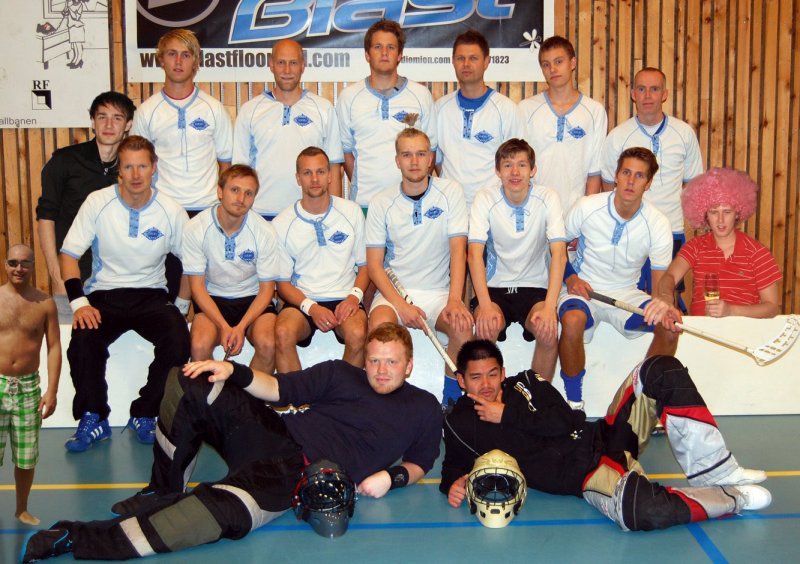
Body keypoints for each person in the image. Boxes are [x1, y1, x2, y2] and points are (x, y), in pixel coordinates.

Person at [22, 323, 441, 562]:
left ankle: (74, 537)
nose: (381, 369)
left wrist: (391, 477)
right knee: (188, 379)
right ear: (365, 358)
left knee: (205, 520)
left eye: (391, 361)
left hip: (293, 478)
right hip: (269, 436)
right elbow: (278, 389)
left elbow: (422, 460)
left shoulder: (423, 407)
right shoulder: (339, 373)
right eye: (374, 359)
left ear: (408, 365)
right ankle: (162, 489)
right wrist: (232, 371)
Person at [441, 340, 772, 532]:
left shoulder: (526, 382)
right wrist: (452, 485)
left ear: (502, 371)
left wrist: (508, 414)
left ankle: (715, 472)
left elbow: (568, 420)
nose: (486, 384)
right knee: (638, 512)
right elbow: (452, 468)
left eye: (492, 374)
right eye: (476, 377)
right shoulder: (459, 423)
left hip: (609, 436)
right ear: (461, 380)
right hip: (589, 476)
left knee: (659, 368)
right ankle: (733, 498)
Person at [59, 136, 190, 451]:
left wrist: (182, 305)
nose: (135, 175)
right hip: (105, 293)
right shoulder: (97, 202)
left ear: (154, 168)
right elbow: (69, 255)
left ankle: (146, 413)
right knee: (84, 339)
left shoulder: (171, 210)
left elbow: (192, 263)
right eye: (128, 167)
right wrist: (79, 304)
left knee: (178, 339)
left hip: (152, 295)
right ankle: (94, 416)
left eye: (142, 166)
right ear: (119, 170)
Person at [557, 147, 681, 410]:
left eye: (639, 175)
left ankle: (643, 400)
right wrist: (571, 278)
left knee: (670, 327)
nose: (630, 181)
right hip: (583, 288)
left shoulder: (658, 223)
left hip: (625, 293)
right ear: (616, 175)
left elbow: (661, 280)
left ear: (648, 183)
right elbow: (554, 248)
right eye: (626, 172)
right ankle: (574, 404)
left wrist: (663, 302)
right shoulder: (587, 206)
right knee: (572, 320)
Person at [366, 128, 473, 408]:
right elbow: (375, 266)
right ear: (397, 161)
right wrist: (401, 306)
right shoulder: (381, 202)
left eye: (421, 154)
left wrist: (455, 300)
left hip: (438, 292)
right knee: (379, 330)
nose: (414, 161)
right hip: (393, 294)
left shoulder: (451, 192)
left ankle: (451, 403)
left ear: (430, 159)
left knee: (462, 326)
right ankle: (383, 407)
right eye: (406, 154)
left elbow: (458, 251)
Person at [132, 28, 233, 305]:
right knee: (166, 293)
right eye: (172, 54)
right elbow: (137, 166)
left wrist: (223, 209)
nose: (178, 61)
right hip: (163, 210)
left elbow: (226, 164)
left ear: (196, 62)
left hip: (206, 209)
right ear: (160, 60)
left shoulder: (213, 109)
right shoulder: (147, 112)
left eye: (186, 55)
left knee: (206, 298)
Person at [468, 139, 567, 381]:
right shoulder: (485, 198)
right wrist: (485, 304)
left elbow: (559, 254)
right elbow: (473, 254)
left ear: (533, 170)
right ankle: (483, 398)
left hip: (534, 287)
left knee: (548, 331)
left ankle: (536, 398)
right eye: (507, 165)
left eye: (522, 165)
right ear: (497, 171)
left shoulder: (548, 197)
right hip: (495, 288)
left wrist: (549, 307)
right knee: (486, 328)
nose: (515, 172)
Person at [600, 67, 704, 298]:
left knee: (667, 299)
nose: (647, 96)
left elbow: (693, 184)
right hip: (630, 231)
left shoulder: (684, 133)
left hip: (670, 229)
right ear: (633, 94)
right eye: (641, 89)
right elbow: (608, 185)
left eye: (654, 89)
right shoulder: (618, 136)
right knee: (630, 299)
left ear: (664, 94)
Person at [36, 91, 136, 319]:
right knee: (69, 339)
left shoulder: (133, 169)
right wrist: (57, 276)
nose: (109, 125)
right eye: (102, 117)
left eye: (117, 118)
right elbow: (46, 218)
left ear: (128, 124)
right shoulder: (64, 161)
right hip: (72, 278)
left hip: (116, 282)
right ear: (92, 121)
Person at [272, 147, 369, 372]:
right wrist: (311, 307)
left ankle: (343, 393)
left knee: (357, 333)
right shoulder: (281, 223)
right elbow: (283, 284)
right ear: (298, 178)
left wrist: (353, 298)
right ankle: (297, 395)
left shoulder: (352, 212)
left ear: (330, 175)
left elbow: (365, 267)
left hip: (345, 297)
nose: (315, 179)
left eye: (320, 172)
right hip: (303, 299)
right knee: (283, 332)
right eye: (307, 173)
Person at [182, 165, 280, 374]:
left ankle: (249, 395)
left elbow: (266, 291)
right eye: (235, 190)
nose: (241, 198)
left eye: (248, 193)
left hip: (252, 299)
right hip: (213, 299)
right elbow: (197, 288)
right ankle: (210, 395)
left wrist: (241, 327)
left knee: (268, 344)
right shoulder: (195, 228)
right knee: (199, 345)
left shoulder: (265, 231)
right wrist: (224, 326)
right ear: (220, 192)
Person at [232, 39, 344, 219]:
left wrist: (334, 217)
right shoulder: (250, 111)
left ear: (302, 66)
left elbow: (334, 169)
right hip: (261, 214)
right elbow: (239, 172)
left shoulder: (323, 109)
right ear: (271, 65)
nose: (287, 70)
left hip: (310, 215)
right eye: (281, 63)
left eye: (293, 63)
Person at [336, 19, 437, 210]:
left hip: (409, 203)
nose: (384, 52)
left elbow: (431, 150)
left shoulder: (421, 95)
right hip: (365, 203)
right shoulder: (349, 97)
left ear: (399, 55)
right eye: (378, 47)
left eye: (391, 47)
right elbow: (346, 152)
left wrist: (414, 189)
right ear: (367, 54)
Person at [657, 168, 781, 318]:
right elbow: (669, 277)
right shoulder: (695, 247)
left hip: (742, 331)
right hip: (700, 329)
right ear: (705, 215)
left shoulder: (757, 253)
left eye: (727, 212)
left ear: (737, 213)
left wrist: (731, 311)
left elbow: (772, 308)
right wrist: (666, 298)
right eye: (714, 212)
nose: (720, 220)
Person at [0, 245, 60, 526]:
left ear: (33, 266)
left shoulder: (45, 303)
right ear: (5, 264)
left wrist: (52, 390)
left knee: (26, 457)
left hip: (27, 389)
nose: (18, 268)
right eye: (13, 262)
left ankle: (21, 509)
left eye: (25, 263)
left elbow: (54, 347)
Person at [435, 29, 525, 209]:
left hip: (493, 208)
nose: (466, 64)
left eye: (473, 58)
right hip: (451, 208)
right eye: (460, 58)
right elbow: (436, 161)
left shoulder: (506, 109)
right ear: (453, 61)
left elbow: (519, 163)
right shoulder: (440, 108)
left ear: (486, 62)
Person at [519, 35, 607, 217]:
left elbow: (594, 173)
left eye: (558, 61)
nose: (552, 69)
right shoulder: (526, 109)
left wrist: (585, 217)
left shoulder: (594, 111)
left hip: (575, 213)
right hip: (534, 213)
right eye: (546, 64)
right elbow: (519, 167)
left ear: (572, 63)